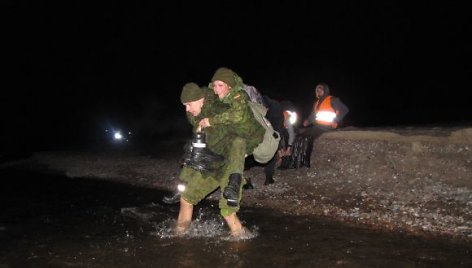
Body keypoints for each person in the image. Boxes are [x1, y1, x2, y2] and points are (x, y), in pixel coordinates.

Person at [175, 72, 265, 237]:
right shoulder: (196, 115)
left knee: (227, 211)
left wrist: (246, 149)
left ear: (201, 99)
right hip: (214, 164)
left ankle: (242, 242)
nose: (187, 109)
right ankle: (178, 237)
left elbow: (242, 131)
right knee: (186, 198)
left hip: (230, 164)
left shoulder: (221, 107)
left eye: (189, 104)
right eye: (184, 105)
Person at [282, 83, 349, 169]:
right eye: (317, 89)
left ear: (325, 90)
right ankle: (295, 161)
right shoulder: (316, 103)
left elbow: (343, 109)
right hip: (319, 126)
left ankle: (304, 161)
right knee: (299, 136)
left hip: (328, 127)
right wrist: (308, 121)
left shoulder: (332, 99)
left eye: (320, 88)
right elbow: (313, 115)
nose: (318, 91)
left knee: (307, 137)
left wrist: (336, 121)